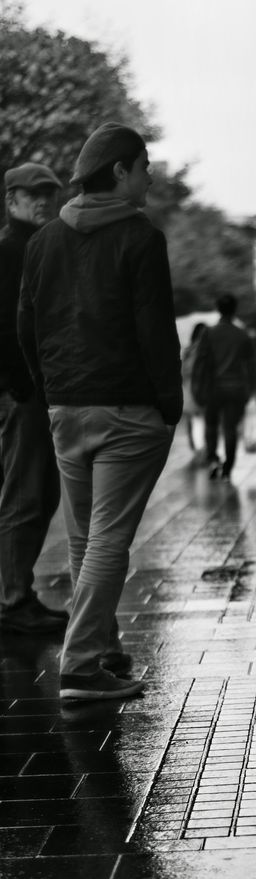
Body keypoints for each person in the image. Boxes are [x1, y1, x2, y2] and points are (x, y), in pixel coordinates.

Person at [18, 121, 182, 702]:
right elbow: (155, 331)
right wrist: (170, 406)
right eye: (144, 165)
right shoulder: (140, 238)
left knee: (88, 539)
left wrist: (50, 390)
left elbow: (26, 327)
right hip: (128, 410)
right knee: (108, 540)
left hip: (66, 408)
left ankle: (105, 650)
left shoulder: (42, 242)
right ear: (120, 171)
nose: (150, 175)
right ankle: (81, 665)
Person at [0, 161, 67, 634]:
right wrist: (21, 387)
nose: (42, 199)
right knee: (24, 495)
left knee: (42, 495)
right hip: (24, 393)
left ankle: (21, 592)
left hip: (41, 390)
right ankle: (12, 600)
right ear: (11, 200)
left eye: (48, 191)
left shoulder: (40, 246)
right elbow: (6, 326)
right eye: (32, 193)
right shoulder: (9, 250)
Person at [197, 294, 256, 480]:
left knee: (211, 425)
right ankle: (228, 467)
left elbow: (201, 363)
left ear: (218, 309)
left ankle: (213, 459)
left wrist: (198, 387)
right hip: (237, 388)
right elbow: (251, 367)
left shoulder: (209, 333)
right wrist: (251, 390)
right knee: (230, 428)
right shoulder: (242, 335)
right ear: (235, 309)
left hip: (213, 387)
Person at [181, 321, 207, 456]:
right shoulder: (204, 350)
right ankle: (200, 448)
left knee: (195, 418)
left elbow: (183, 370)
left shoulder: (188, 350)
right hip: (199, 387)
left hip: (189, 387)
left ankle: (197, 446)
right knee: (199, 418)